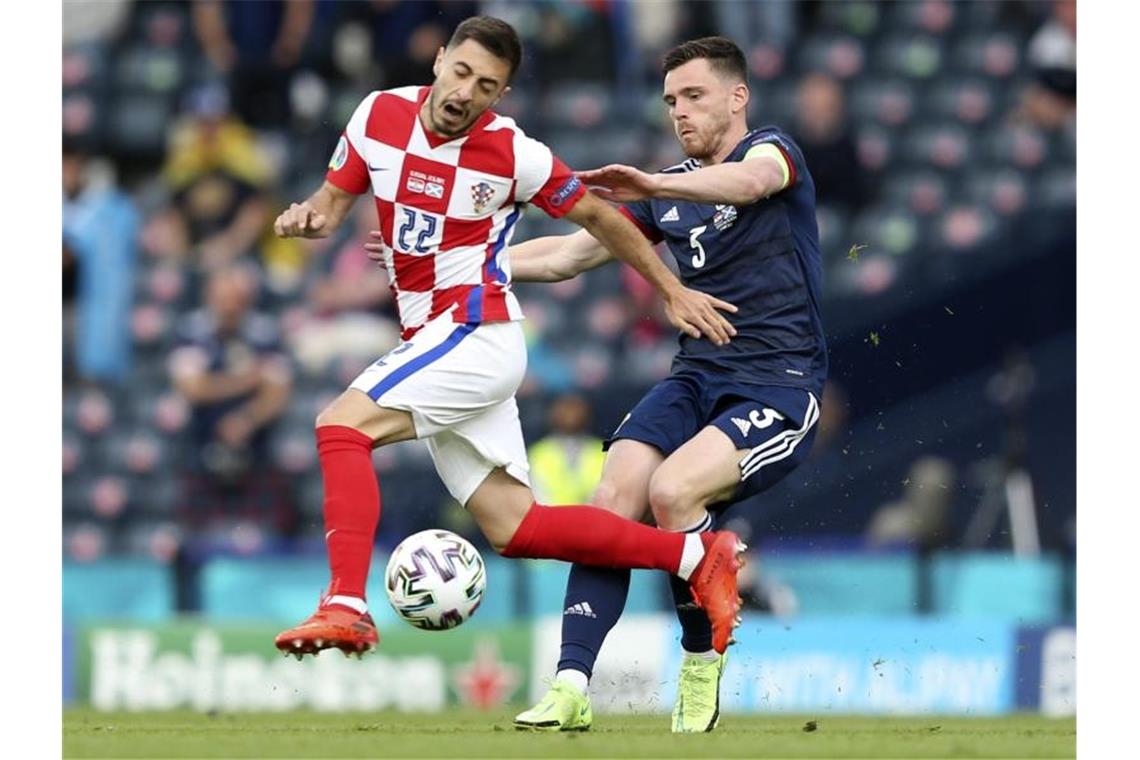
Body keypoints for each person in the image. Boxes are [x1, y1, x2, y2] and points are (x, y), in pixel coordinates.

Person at [270, 16, 746, 663]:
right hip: (435, 341)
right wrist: (307, 218)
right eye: (462, 72)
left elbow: (600, 217)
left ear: (502, 96)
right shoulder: (377, 115)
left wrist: (669, 288)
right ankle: (697, 554)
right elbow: (331, 204)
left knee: (340, 427)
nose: (467, 92)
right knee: (518, 528)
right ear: (439, 60)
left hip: (474, 331)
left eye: (487, 85)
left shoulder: (514, 153)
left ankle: (346, 606)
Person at [497, 36, 828, 733]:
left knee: (673, 491)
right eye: (672, 100)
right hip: (697, 376)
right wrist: (473, 266)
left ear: (737, 97)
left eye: (695, 96)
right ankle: (569, 684)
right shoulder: (667, 194)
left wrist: (653, 184)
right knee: (612, 498)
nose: (680, 111)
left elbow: (747, 184)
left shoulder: (773, 152)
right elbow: (564, 256)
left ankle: (701, 662)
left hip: (779, 384)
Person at [168, 264, 296, 533]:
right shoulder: (191, 331)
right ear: (209, 296)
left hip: (256, 447)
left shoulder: (266, 333)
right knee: (194, 530)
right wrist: (249, 380)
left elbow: (279, 392)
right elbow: (193, 389)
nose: (229, 306)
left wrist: (246, 419)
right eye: (223, 298)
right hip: (202, 443)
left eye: (236, 299)